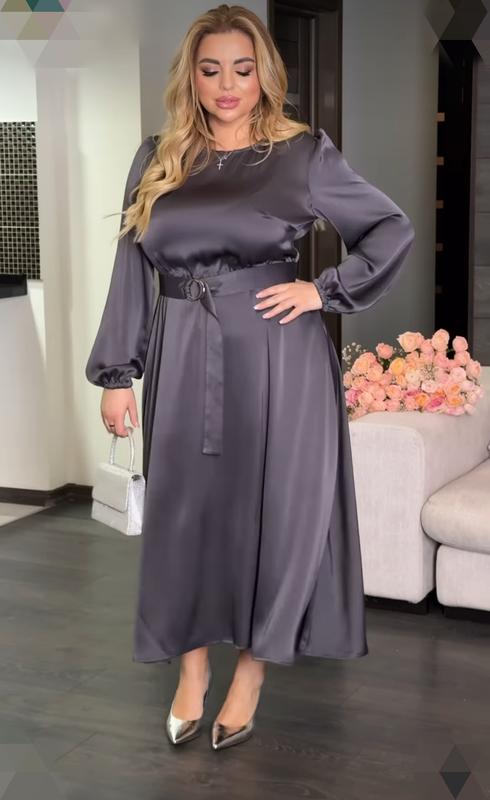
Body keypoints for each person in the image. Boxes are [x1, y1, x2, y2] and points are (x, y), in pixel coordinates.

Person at [85, 3, 415, 751]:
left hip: (277, 358)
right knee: (185, 516)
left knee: (276, 515)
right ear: (192, 77)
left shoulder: (302, 155)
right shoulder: (159, 156)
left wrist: (323, 291)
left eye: (243, 69)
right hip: (182, 354)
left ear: (265, 74)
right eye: (212, 70)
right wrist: (117, 373)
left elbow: (389, 229)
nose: (228, 85)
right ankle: (192, 669)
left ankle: (252, 673)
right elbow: (132, 265)